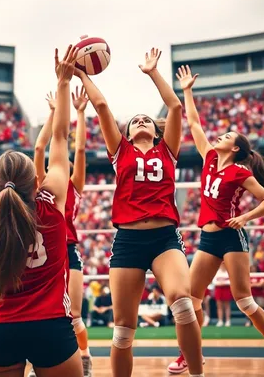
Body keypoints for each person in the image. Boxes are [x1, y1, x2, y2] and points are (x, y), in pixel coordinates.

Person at [77, 49, 204, 377]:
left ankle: (198, 373)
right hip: (128, 241)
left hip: (164, 238)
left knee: (183, 304)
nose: (142, 120)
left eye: (147, 118)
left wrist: (153, 73)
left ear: (157, 130)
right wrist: (83, 75)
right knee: (123, 329)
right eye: (135, 121)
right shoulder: (120, 151)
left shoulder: (167, 150)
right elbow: (102, 107)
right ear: (128, 133)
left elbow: (175, 106)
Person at [168, 66, 264, 377]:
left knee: (244, 300)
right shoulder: (209, 157)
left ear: (235, 148)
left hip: (231, 238)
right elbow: (194, 122)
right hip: (208, 239)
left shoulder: (240, 172)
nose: (219, 137)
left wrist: (245, 217)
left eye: (227, 136)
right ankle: (189, 352)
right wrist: (187, 91)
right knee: (190, 299)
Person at [0, 45, 83, 377]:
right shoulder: (52, 206)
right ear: (36, 180)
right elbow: (60, 137)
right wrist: (62, 84)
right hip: (51, 326)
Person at [32, 85, 91, 377]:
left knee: (75, 313)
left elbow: (78, 148)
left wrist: (80, 113)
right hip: (47, 252)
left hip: (68, 249)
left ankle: (85, 356)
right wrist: (54, 113)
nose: (66, 163)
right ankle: (37, 361)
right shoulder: (45, 182)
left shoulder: (74, 185)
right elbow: (40, 148)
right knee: (44, 311)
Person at [213, 263, 232, 327]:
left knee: (227, 305)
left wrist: (222, 283)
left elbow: (231, 281)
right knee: (219, 305)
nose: (222, 265)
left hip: (226, 289)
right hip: (218, 289)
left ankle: (228, 320)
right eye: (221, 264)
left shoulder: (229, 271)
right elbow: (214, 282)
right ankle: (220, 320)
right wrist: (222, 283)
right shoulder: (216, 272)